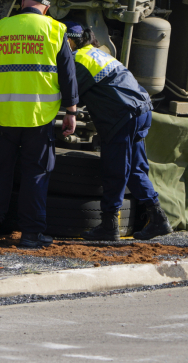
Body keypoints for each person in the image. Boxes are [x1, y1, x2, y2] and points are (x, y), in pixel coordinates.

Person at [0, 0, 79, 249]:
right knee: (36, 173)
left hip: (4, 114)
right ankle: (32, 234)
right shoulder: (54, 30)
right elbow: (67, 75)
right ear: (46, 7)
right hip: (38, 116)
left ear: (22, 2)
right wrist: (71, 112)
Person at [63, 21, 172, 241]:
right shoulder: (97, 53)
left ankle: (109, 225)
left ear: (69, 41)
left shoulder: (78, 60)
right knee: (135, 168)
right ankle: (158, 218)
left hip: (121, 116)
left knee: (115, 168)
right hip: (141, 111)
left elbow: (67, 96)